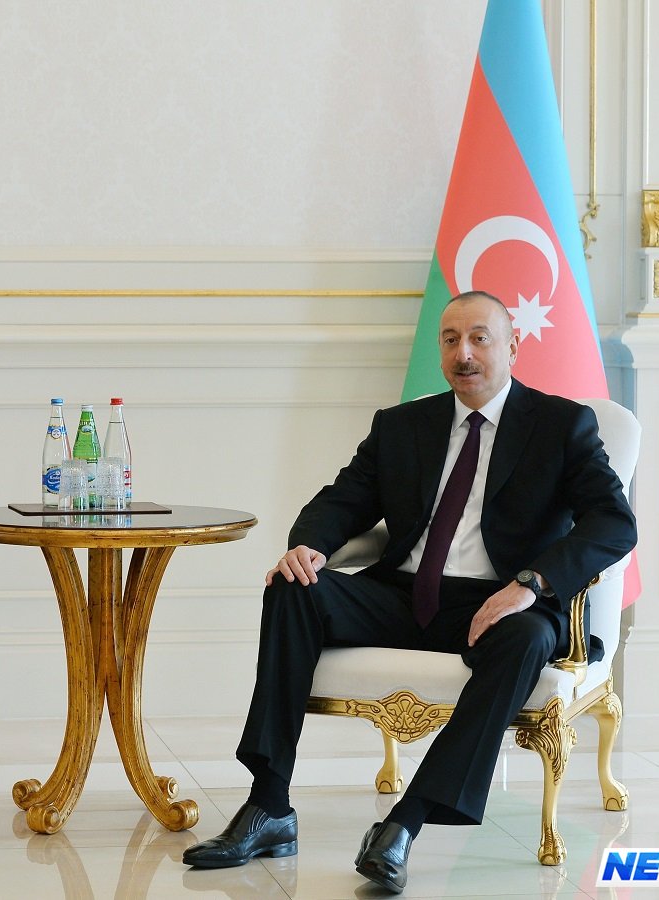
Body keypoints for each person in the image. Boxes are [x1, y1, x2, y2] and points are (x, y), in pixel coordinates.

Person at [182, 291, 636, 893]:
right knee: (294, 587)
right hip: (403, 595)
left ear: (513, 347)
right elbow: (343, 499)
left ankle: (403, 824)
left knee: (527, 638)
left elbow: (613, 522)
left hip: (499, 603)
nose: (463, 353)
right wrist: (309, 546)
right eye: (450, 340)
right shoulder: (402, 426)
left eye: (479, 338)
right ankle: (269, 805)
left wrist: (532, 584)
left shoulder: (561, 424)